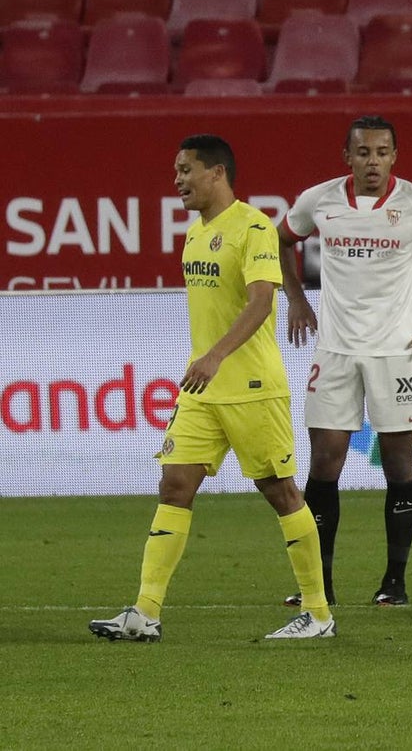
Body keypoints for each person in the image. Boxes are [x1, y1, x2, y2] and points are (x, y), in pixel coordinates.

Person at [90, 134, 334, 642]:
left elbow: (262, 302)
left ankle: (318, 614)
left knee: (280, 491)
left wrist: (216, 355)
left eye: (185, 170)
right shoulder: (196, 234)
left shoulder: (253, 227)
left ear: (217, 173)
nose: (177, 180)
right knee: (174, 485)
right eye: (175, 171)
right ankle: (145, 612)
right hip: (202, 390)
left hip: (250, 385)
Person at [277, 116, 412, 608]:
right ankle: (318, 585)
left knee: (398, 463)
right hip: (335, 351)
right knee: (325, 463)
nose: (373, 161)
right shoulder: (318, 200)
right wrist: (297, 300)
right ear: (346, 156)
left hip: (396, 353)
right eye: (364, 152)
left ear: (395, 156)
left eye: (382, 152)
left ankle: (394, 581)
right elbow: (281, 239)